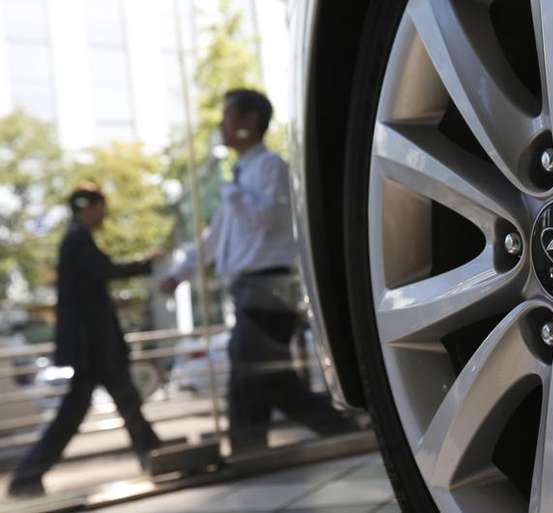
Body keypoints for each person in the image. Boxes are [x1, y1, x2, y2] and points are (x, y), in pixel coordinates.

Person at [161, 89, 354, 452]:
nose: (222, 125)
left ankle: (334, 431)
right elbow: (214, 238)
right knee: (253, 374)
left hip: (270, 287)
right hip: (250, 290)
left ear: (250, 121)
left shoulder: (270, 168)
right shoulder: (238, 178)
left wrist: (234, 196)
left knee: (259, 372)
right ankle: (252, 450)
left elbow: (268, 219)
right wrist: (179, 273)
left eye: (227, 116)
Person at [7, 184, 161, 497]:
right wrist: (146, 263)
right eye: (100, 208)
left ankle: (155, 456)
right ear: (88, 208)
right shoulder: (77, 239)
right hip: (94, 347)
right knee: (108, 404)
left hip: (92, 347)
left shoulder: (76, 238)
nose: (104, 214)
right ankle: (28, 474)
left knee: (118, 402)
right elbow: (105, 271)